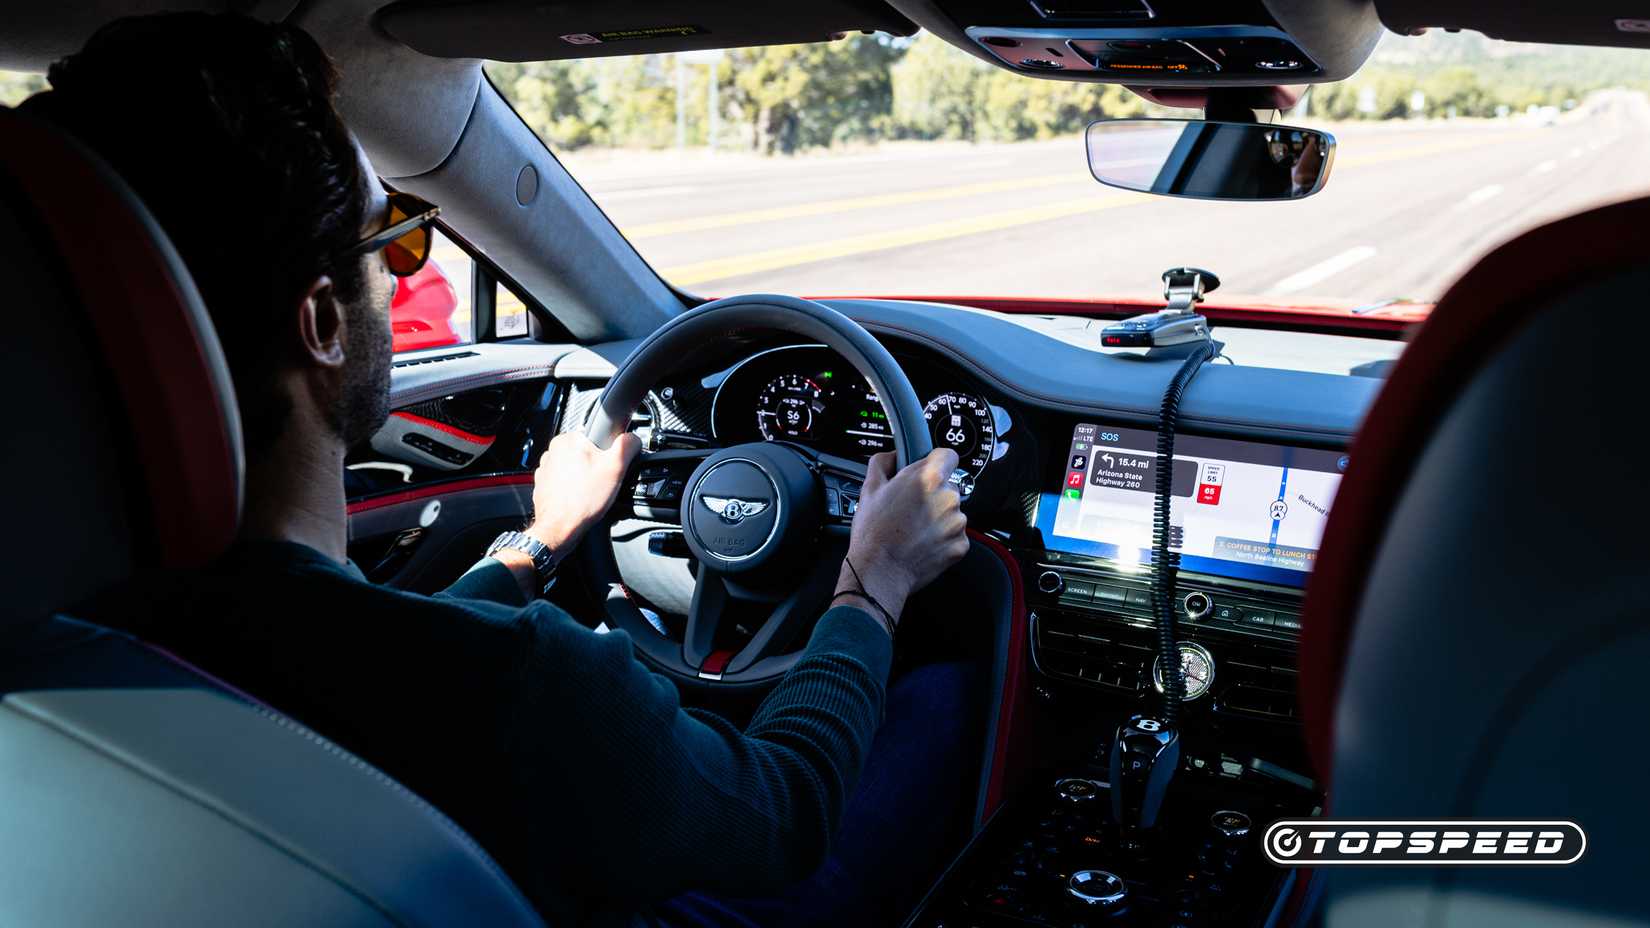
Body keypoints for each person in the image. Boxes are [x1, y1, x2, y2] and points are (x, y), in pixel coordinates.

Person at [28, 12, 975, 927]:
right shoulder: (524, 688)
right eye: (392, 238)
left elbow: (379, 655)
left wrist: (541, 539)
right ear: (320, 324)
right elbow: (785, 812)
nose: (404, 273)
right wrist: (874, 581)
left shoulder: (69, 629)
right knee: (948, 692)